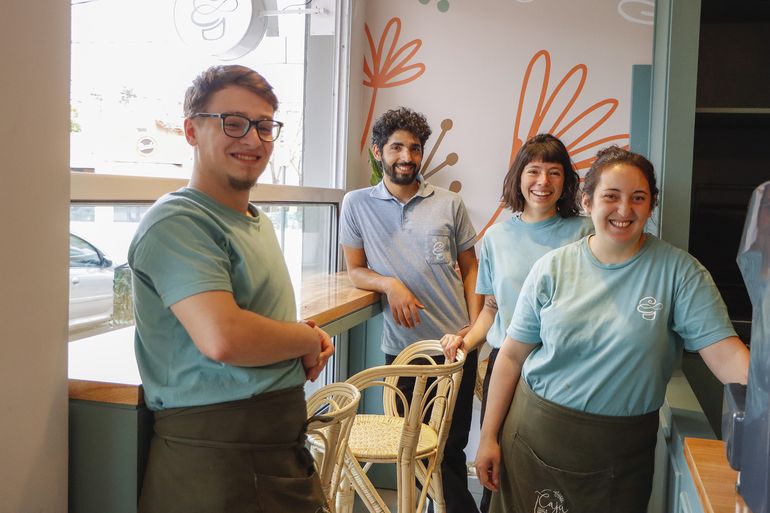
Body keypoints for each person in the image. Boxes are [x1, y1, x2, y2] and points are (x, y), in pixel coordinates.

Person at [476, 146, 750, 513]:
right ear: (587, 202)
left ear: (651, 206)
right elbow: (510, 357)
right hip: (534, 437)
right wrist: (488, 437)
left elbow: (727, 354)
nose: (624, 210)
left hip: (620, 455)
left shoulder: (680, 273)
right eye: (611, 196)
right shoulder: (552, 269)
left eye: (638, 198)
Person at [128, 64, 334, 513]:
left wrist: (299, 336)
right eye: (233, 123)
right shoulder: (178, 221)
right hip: (216, 458)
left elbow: (249, 319)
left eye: (264, 126)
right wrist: (306, 338)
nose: (253, 139)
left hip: (275, 446)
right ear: (191, 131)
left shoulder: (255, 222)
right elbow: (224, 337)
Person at [340, 106, 484, 513]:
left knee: (450, 448)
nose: (407, 157)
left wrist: (474, 328)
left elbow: (471, 268)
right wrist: (390, 284)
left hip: (455, 346)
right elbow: (355, 270)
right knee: (413, 448)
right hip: (403, 350)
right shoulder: (356, 204)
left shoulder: (449, 203)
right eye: (397, 147)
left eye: (415, 148)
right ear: (378, 152)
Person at [439, 133, 592, 512]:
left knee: (555, 470)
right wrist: (464, 342)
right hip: (507, 365)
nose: (543, 182)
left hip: (565, 369)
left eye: (554, 172)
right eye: (534, 171)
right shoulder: (496, 237)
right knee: (498, 463)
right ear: (519, 177)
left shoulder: (584, 232)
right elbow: (492, 309)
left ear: (566, 181)